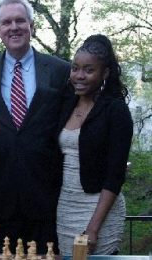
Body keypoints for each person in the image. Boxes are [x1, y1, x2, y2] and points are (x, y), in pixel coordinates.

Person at [0, 0, 70, 254]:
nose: (13, 27)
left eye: (20, 21)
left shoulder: (60, 71)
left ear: (32, 26)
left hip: (46, 196)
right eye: (6, 22)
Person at [56, 34, 133, 255]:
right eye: (75, 68)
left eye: (89, 70)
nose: (79, 76)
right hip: (66, 207)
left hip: (99, 211)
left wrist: (93, 228)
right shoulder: (67, 103)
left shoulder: (116, 111)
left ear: (105, 73)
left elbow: (115, 175)